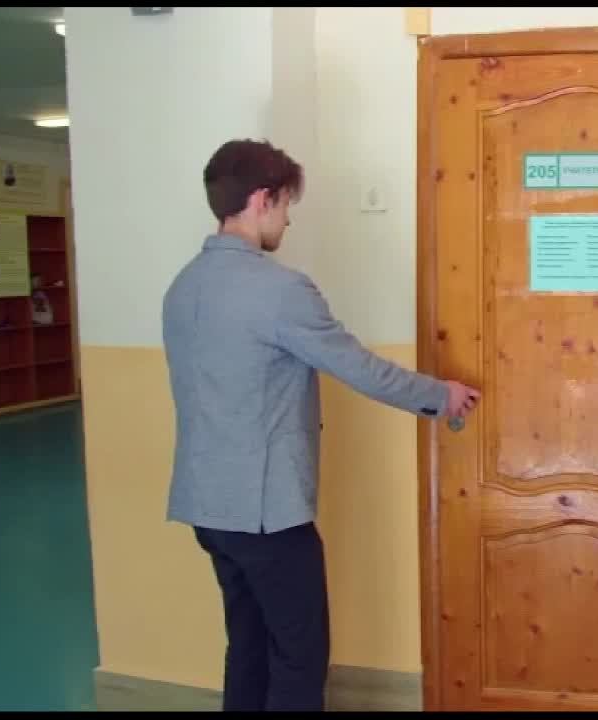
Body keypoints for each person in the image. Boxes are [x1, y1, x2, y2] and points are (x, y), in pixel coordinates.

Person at [162, 139, 480, 711]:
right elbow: (359, 368)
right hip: (266, 514)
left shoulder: (182, 286)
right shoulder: (280, 290)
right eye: (286, 205)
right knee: (300, 658)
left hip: (207, 508)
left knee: (248, 645)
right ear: (263, 199)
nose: (288, 219)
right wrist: (442, 396)